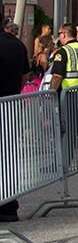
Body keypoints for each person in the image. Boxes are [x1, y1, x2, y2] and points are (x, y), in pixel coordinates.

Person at [0, 19, 31, 222]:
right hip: (11, 105)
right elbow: (25, 76)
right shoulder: (17, 44)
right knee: (9, 155)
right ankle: (9, 205)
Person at [49, 23, 78, 91]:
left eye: (59, 34)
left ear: (64, 34)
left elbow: (57, 77)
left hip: (69, 95)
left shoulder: (63, 51)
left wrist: (50, 93)